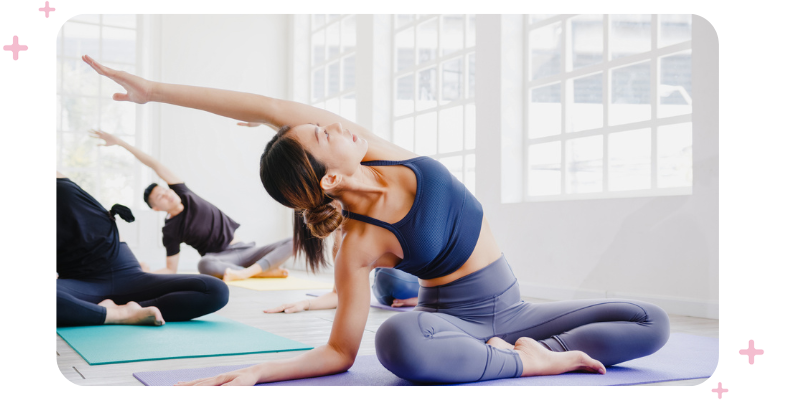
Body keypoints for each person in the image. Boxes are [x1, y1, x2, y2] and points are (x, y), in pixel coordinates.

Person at [83, 54, 670, 384]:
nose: (335, 124)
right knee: (398, 338)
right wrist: (258, 374)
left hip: (516, 308)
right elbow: (340, 353)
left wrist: (155, 89)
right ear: (329, 179)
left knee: (650, 322)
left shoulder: (381, 151)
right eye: (322, 133)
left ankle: (532, 352)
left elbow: (265, 108)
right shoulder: (359, 245)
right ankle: (531, 362)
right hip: (455, 325)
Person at [87, 128, 292, 282]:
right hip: (219, 260)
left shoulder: (185, 194)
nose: (167, 194)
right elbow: (170, 270)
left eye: (165, 190)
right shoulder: (170, 230)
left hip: (245, 250)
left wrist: (121, 143)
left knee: (296, 240)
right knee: (203, 264)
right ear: (157, 209)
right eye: (160, 198)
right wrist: (141, 271)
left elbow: (154, 165)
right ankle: (260, 271)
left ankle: (251, 272)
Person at [56, 171, 229, 327]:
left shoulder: (60, 183)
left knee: (215, 290)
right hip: (82, 284)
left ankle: (129, 309)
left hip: (127, 274)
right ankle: (118, 315)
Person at [265, 266, 420, 313]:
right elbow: (339, 294)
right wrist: (305, 304)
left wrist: (420, 299)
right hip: (393, 283)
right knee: (391, 278)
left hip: (428, 283)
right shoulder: (344, 237)